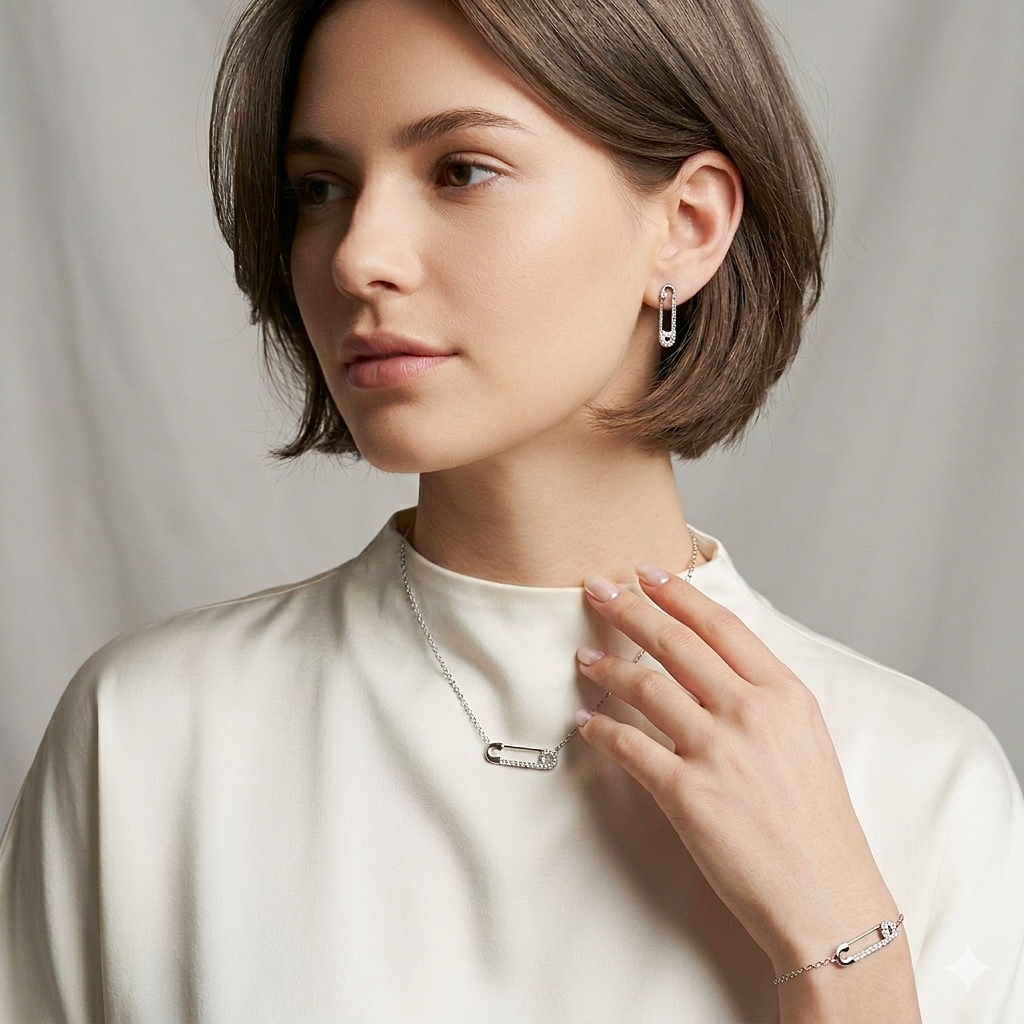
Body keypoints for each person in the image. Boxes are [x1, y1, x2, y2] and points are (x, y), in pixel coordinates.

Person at [2, 0, 1022, 1020]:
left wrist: (841, 940)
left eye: (461, 171)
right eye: (321, 189)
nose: (356, 257)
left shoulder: (921, 782)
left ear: (687, 226)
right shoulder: (145, 738)